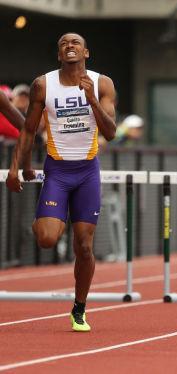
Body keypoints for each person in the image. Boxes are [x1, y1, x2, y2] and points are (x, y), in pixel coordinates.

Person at [5, 32, 118, 332]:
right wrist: (16, 167)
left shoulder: (102, 83)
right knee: (46, 239)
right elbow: (28, 131)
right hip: (57, 170)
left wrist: (91, 98)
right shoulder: (43, 84)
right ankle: (47, 219)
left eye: (76, 42)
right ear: (59, 55)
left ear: (86, 52)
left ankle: (79, 308)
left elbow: (111, 132)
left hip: (87, 172)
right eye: (63, 44)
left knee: (84, 245)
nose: (70, 45)